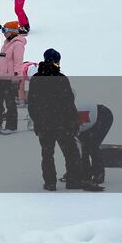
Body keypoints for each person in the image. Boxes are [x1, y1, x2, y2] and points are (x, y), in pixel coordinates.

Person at [26, 48, 83, 190]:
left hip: (45, 124)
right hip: (63, 124)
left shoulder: (36, 79)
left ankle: (50, 183)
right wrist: (74, 122)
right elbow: (69, 103)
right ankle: (73, 180)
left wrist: (38, 122)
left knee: (47, 154)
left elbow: (31, 105)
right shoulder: (61, 79)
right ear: (57, 61)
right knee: (71, 153)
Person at [0, 21, 27, 133]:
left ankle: (11, 126)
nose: (3, 33)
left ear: (12, 31)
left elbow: (18, 63)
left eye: (5, 31)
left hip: (10, 79)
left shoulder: (18, 44)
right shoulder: (5, 43)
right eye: (2, 30)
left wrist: (16, 79)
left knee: (10, 103)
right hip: (1, 78)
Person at [74, 101, 113, 188]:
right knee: (85, 147)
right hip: (89, 122)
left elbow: (77, 148)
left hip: (103, 116)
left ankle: (99, 174)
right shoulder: (68, 121)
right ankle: (86, 173)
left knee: (92, 146)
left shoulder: (69, 122)